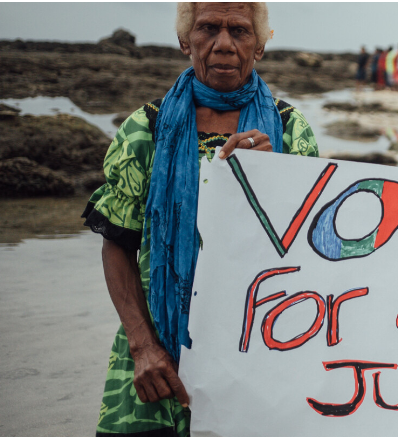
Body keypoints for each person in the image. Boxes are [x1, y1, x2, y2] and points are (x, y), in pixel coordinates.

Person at [80, 3, 320, 435]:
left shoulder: (288, 131)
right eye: (208, 28)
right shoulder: (145, 130)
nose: (223, 44)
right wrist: (142, 347)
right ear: (184, 40)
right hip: (157, 353)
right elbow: (118, 243)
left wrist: (270, 180)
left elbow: (312, 253)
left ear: (260, 46)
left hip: (257, 351)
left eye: (240, 32)